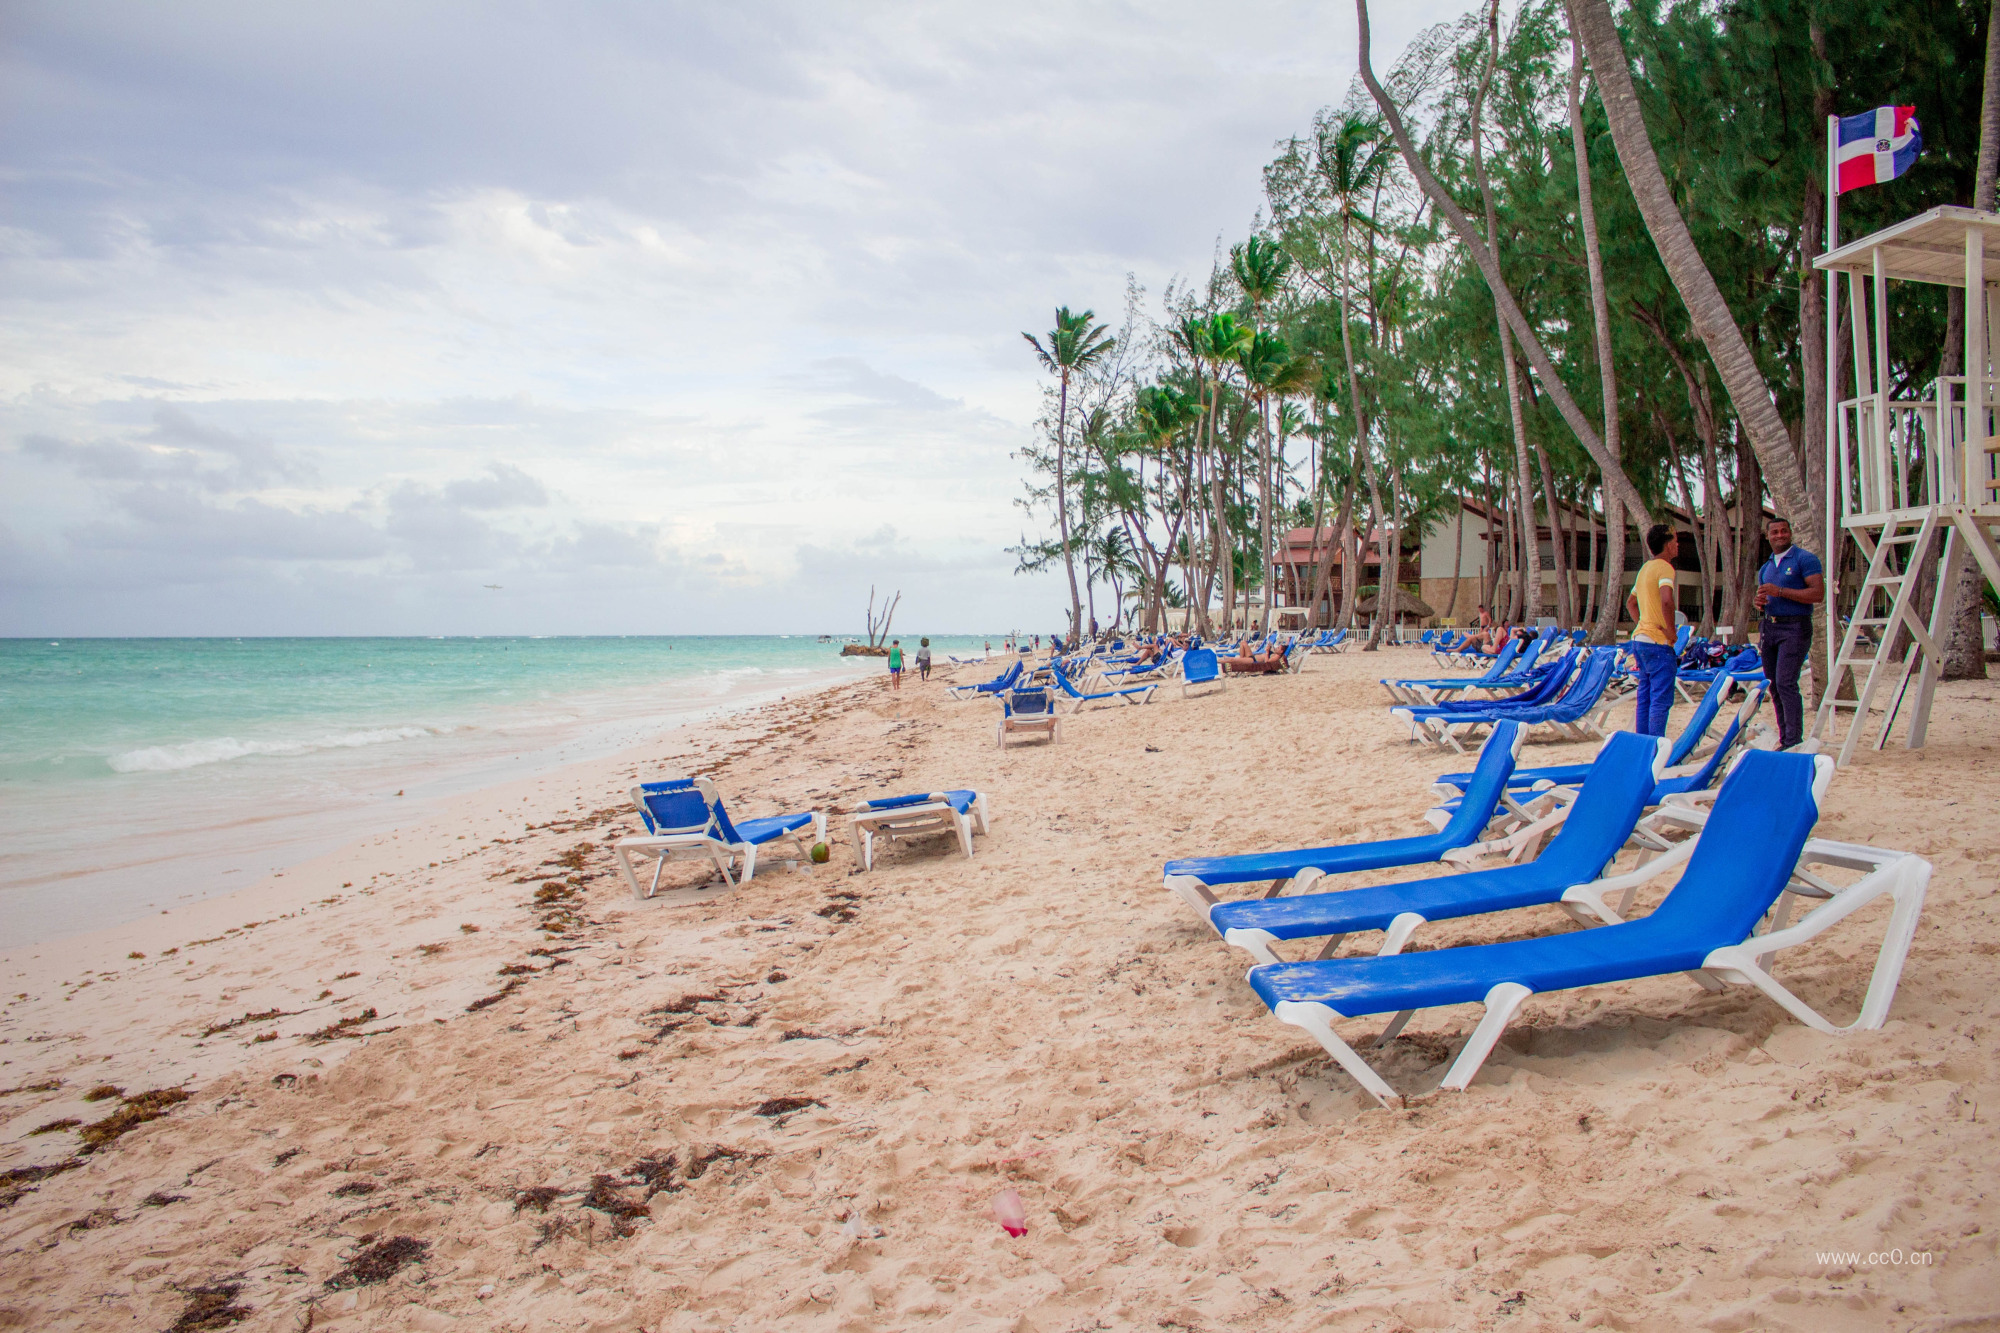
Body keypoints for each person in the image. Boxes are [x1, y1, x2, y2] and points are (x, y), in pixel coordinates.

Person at [1754, 517, 1824, 750]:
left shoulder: (1805, 559)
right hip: (1770, 627)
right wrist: (1759, 603)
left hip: (1795, 627)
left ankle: (1794, 740)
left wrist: (1781, 591)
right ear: (1767, 536)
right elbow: (1766, 596)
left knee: (1786, 682)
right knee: (1774, 685)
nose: (1780, 535)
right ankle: (1785, 738)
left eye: (1784, 531)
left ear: (1790, 533)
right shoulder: (1766, 568)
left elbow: (1817, 594)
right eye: (1775, 532)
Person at [1624, 523, 1681, 737]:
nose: (1678, 544)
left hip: (1640, 640)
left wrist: (1644, 623)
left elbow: (1631, 603)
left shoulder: (1645, 569)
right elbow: (1667, 600)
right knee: (1660, 701)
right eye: (1675, 540)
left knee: (1645, 698)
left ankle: (1644, 746)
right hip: (1658, 643)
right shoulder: (1665, 567)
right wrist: (1671, 631)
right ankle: (1656, 746)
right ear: (1667, 544)